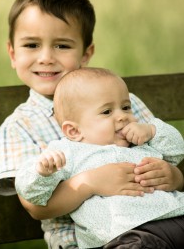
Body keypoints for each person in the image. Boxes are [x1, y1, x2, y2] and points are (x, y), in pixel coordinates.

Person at [0, 0, 184, 249]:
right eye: (32, 45)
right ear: (13, 53)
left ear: (86, 53)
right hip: (85, 241)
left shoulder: (122, 102)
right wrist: (90, 183)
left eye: (62, 46)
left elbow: (164, 153)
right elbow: (36, 207)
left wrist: (174, 177)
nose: (46, 57)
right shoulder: (19, 127)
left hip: (162, 218)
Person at [15, 67, 184, 249]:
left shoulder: (139, 141)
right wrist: (42, 172)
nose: (122, 117)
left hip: (175, 214)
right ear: (74, 131)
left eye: (126, 107)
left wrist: (152, 130)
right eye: (106, 112)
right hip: (124, 233)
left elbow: (176, 151)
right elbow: (33, 194)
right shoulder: (68, 152)